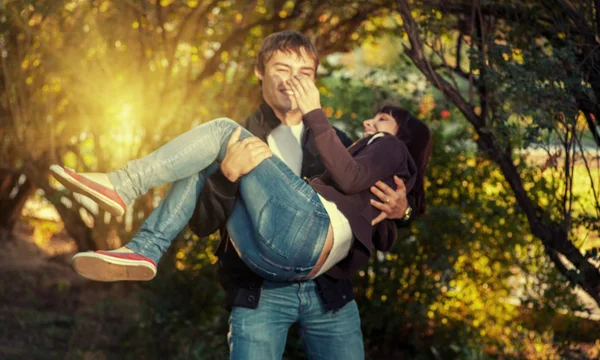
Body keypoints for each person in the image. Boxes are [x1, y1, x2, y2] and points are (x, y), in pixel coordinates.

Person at [53, 31, 433, 360]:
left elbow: (371, 225)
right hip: (260, 289)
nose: (293, 82)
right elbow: (202, 224)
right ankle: (139, 237)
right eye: (283, 70)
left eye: (304, 74)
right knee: (213, 150)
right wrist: (227, 176)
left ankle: (133, 212)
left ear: (315, 81)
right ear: (260, 72)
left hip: (328, 292)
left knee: (218, 135)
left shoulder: (339, 144)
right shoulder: (238, 135)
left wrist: (402, 211)